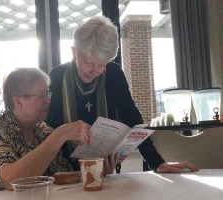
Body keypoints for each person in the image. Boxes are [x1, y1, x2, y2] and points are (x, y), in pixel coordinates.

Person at [46, 16, 199, 173]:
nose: (95, 71)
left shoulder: (113, 74)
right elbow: (48, 129)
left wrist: (157, 163)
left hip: (106, 168)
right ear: (74, 52)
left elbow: (132, 118)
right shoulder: (57, 77)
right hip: (65, 172)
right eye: (88, 63)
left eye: (101, 65)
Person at [0, 68, 116, 194]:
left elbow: (61, 176)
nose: (48, 101)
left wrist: (96, 171)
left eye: (47, 94)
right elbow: (11, 180)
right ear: (18, 102)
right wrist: (61, 134)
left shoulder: (43, 130)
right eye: (41, 96)